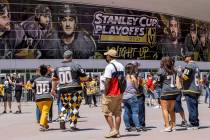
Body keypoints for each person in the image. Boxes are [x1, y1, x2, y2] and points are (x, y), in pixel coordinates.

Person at [51, 50, 87, 130]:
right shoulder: (76, 65)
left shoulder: (57, 67)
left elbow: (54, 79)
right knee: (74, 107)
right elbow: (84, 76)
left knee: (64, 105)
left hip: (63, 89)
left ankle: (62, 118)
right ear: (71, 57)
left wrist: (53, 90)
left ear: (64, 57)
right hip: (74, 89)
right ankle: (72, 124)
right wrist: (86, 80)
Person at [102, 49, 125, 138]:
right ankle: (117, 131)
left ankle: (113, 130)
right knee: (117, 113)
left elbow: (107, 80)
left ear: (109, 57)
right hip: (119, 92)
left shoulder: (109, 66)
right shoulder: (121, 65)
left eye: (107, 55)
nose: (106, 57)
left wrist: (105, 92)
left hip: (111, 92)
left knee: (107, 112)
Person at [157, 56, 180, 132]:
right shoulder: (174, 70)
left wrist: (156, 83)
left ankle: (167, 126)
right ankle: (174, 126)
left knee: (165, 109)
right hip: (174, 91)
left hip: (165, 92)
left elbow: (158, 81)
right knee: (171, 110)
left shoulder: (161, 70)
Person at [182, 52, 201, 130]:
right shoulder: (196, 65)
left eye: (185, 56)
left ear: (190, 57)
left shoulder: (189, 65)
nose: (184, 58)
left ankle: (193, 123)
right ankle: (195, 122)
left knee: (191, 107)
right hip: (196, 89)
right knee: (195, 107)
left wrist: (179, 72)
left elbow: (185, 77)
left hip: (190, 89)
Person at [33, 64, 53, 131]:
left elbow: (33, 89)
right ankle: (42, 125)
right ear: (47, 72)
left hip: (38, 99)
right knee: (45, 112)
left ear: (40, 72)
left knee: (43, 112)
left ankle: (45, 124)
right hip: (47, 98)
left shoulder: (36, 80)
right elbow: (52, 88)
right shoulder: (49, 80)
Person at [123, 63, 141, 132]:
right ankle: (138, 127)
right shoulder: (132, 77)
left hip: (124, 97)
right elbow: (136, 86)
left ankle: (128, 126)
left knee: (126, 112)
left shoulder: (124, 77)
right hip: (132, 96)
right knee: (135, 112)